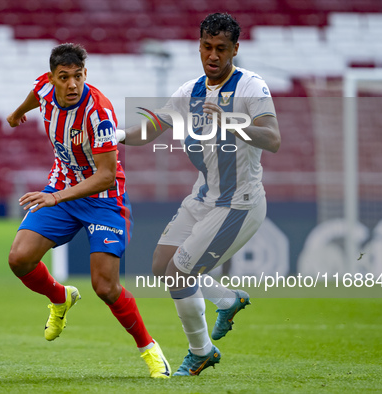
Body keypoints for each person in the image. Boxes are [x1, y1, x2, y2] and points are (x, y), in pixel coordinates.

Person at [119, 13, 281, 376]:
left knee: (179, 273)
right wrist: (116, 135)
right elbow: (152, 128)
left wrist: (232, 123)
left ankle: (201, 351)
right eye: (206, 47)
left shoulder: (251, 87)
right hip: (203, 197)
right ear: (199, 46)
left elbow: (273, 139)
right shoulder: (189, 91)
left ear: (235, 49)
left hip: (240, 202)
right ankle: (227, 300)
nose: (213, 55)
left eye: (221, 49)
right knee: (162, 266)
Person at [6, 43, 170, 378]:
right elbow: (36, 95)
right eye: (63, 77)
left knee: (105, 287)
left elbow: (105, 175)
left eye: (78, 76)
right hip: (62, 186)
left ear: (85, 74)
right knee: (19, 259)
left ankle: (150, 349)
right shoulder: (44, 88)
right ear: (52, 78)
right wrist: (17, 112)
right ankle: (60, 297)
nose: (71, 85)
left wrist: (57, 197)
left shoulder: (100, 113)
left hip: (104, 199)